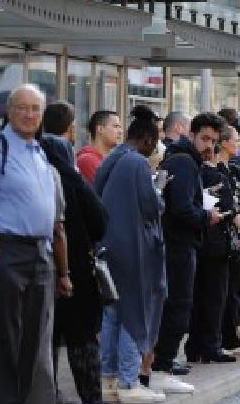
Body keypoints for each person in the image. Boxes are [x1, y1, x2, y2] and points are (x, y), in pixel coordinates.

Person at [0, 84, 66, 404]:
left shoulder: (39, 153)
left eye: (35, 109)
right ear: (9, 111)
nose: (29, 114)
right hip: (6, 253)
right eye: (22, 107)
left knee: (32, 346)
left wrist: (48, 250)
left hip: (38, 255)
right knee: (2, 344)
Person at [94, 106, 167, 403]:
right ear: (148, 140)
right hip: (134, 250)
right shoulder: (137, 164)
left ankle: (108, 379)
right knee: (134, 315)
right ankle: (128, 381)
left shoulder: (112, 158)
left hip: (109, 247)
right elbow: (150, 207)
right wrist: (159, 189)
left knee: (111, 315)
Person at [40, 101, 109, 404]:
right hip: (77, 270)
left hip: (39, 268)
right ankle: (90, 396)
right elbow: (100, 221)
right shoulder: (72, 178)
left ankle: (47, 393)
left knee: (47, 338)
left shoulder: (38, 175)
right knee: (82, 338)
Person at [153, 112, 225, 377]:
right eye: (205, 138)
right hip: (178, 244)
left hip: (177, 243)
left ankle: (163, 360)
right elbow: (181, 209)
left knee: (177, 304)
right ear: (191, 135)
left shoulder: (184, 160)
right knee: (178, 304)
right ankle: (164, 361)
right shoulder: (184, 162)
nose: (209, 146)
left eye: (213, 141)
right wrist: (206, 216)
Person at [186, 116, 240, 364]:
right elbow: (229, 206)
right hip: (214, 242)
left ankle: (197, 345)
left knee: (201, 296)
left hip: (202, 241)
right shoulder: (214, 173)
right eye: (206, 140)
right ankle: (210, 344)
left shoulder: (198, 170)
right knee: (215, 296)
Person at [217, 126, 240, 355]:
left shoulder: (233, 169)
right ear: (224, 143)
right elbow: (230, 206)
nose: (239, 144)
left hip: (235, 234)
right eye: (236, 140)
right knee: (228, 290)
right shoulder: (220, 171)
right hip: (227, 237)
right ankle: (228, 338)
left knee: (234, 289)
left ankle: (232, 337)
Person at [77, 110, 122, 184]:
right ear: (100, 129)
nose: (120, 131)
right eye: (116, 126)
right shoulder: (87, 160)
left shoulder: (111, 160)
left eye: (120, 127)